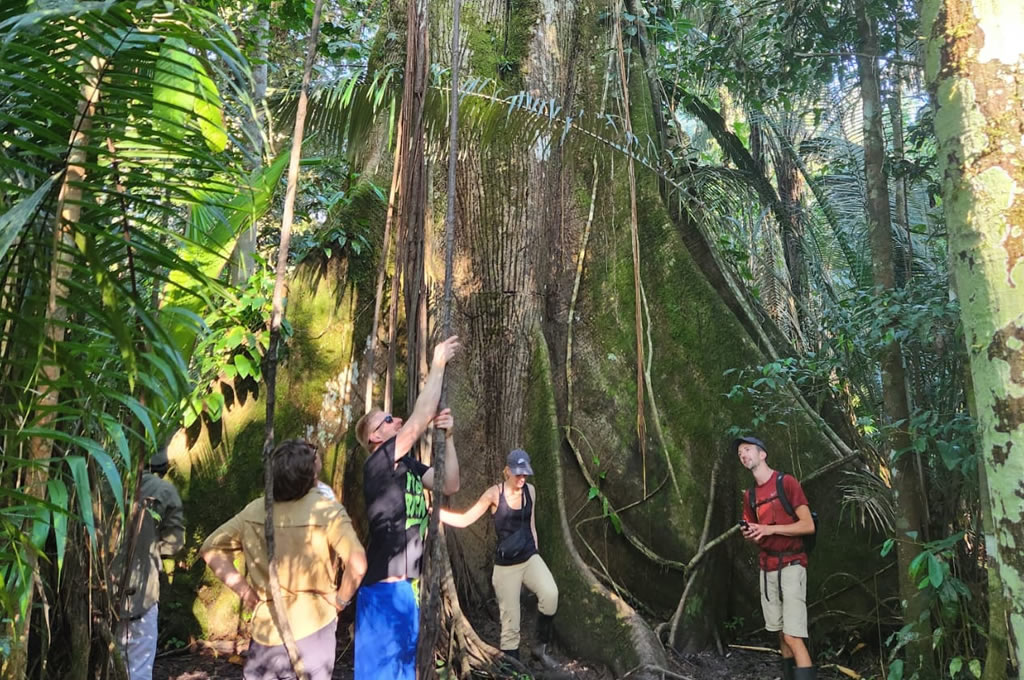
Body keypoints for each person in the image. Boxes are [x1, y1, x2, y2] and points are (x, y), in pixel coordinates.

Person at [201, 439, 367, 680]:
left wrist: (246, 592)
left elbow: (210, 548)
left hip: (266, 627)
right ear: (310, 473)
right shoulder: (327, 511)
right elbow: (358, 563)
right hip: (314, 625)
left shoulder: (255, 510)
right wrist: (341, 601)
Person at [352, 335, 462, 680]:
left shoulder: (407, 466)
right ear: (375, 438)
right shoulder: (378, 464)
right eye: (386, 421)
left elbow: (450, 484)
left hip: (405, 589)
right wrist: (438, 363)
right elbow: (421, 415)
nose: (396, 420)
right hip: (382, 590)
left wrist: (450, 437)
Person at [439, 449, 558, 665]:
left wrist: (537, 555)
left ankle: (540, 649)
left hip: (530, 557)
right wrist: (437, 513)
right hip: (506, 567)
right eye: (518, 474)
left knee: (551, 595)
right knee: (511, 624)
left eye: (525, 474)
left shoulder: (530, 491)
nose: (522, 479)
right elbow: (466, 519)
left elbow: (531, 526)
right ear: (507, 471)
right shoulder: (494, 494)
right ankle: (514, 670)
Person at [736, 435, 817, 680]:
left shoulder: (786, 483)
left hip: (792, 565)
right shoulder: (750, 496)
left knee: (793, 636)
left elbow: (808, 525)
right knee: (781, 633)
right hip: (768, 568)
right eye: (740, 453)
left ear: (763, 454)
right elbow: (755, 531)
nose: (743, 455)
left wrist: (770, 528)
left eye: (748, 449)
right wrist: (751, 533)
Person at [115, 446, 185, 680]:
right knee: (139, 669)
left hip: (99, 596)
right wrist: (151, 550)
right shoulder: (163, 490)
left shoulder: (99, 486)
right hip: (142, 596)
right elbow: (174, 544)